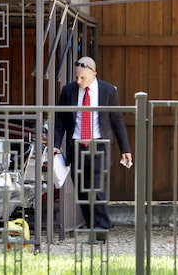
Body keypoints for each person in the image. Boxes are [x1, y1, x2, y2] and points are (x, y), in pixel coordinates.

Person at [53, 56, 132, 242]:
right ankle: (92, 227)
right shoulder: (68, 91)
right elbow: (60, 120)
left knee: (96, 188)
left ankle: (101, 231)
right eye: (77, 78)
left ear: (94, 74)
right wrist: (56, 145)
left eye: (83, 78)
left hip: (99, 145)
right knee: (82, 190)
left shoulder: (108, 91)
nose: (79, 82)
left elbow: (117, 120)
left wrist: (125, 148)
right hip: (77, 145)